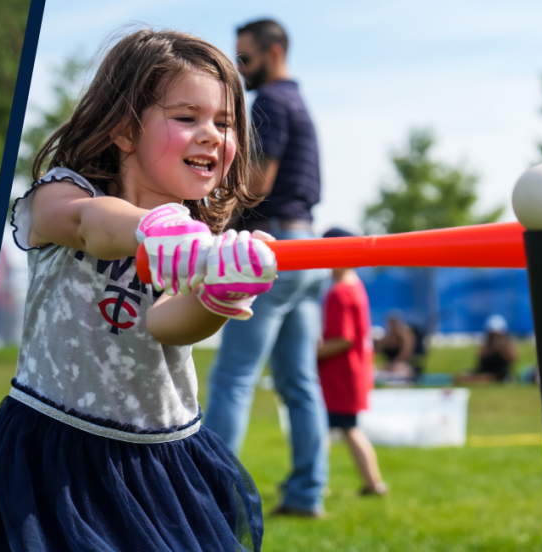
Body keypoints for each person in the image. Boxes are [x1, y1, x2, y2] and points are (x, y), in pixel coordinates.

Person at [0, 28, 272, 549]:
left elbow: (168, 325)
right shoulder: (62, 193)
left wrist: (223, 293)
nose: (212, 135)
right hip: (55, 455)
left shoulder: (195, 240)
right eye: (186, 118)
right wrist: (153, 229)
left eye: (224, 122)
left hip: (160, 461)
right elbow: (90, 226)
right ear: (124, 130)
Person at [206, 17, 333, 519]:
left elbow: (257, 183)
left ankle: (208, 496)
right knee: (300, 383)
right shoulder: (297, 102)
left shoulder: (271, 104)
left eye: (246, 58)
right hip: (308, 249)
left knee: (233, 377)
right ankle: (307, 494)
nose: (240, 69)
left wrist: (211, 216)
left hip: (274, 248)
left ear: (273, 52)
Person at [315, 229, 387, 498]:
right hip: (352, 372)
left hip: (340, 376)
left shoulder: (339, 293)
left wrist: (310, 355)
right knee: (342, 428)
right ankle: (369, 484)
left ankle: (314, 483)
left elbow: (343, 339)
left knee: (333, 429)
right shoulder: (356, 287)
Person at [473, 315, 517, 384]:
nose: (495, 337)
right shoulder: (486, 344)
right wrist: (492, 348)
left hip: (499, 374)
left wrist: (501, 348)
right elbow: (480, 356)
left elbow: (512, 358)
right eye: (493, 335)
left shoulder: (507, 343)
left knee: (484, 378)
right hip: (485, 370)